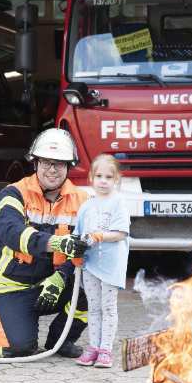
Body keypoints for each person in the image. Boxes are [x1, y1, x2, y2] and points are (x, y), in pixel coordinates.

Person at [0, 128, 91, 358]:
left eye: (59, 164)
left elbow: (88, 250)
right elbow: (12, 232)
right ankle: (8, 323)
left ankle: (61, 340)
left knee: (94, 287)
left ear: (68, 166)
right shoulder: (13, 193)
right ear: (35, 163)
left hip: (53, 283)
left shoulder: (84, 201)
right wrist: (56, 243)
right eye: (46, 163)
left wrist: (62, 276)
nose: (52, 170)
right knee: (17, 349)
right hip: (10, 287)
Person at [74, 154, 131, 369]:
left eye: (109, 176)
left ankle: (106, 349)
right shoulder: (87, 206)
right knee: (93, 307)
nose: (103, 181)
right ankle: (93, 347)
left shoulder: (118, 203)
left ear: (116, 179)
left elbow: (120, 233)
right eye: (99, 176)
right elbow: (78, 234)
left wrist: (100, 236)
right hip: (90, 264)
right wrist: (76, 254)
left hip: (110, 265)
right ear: (91, 177)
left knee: (108, 307)